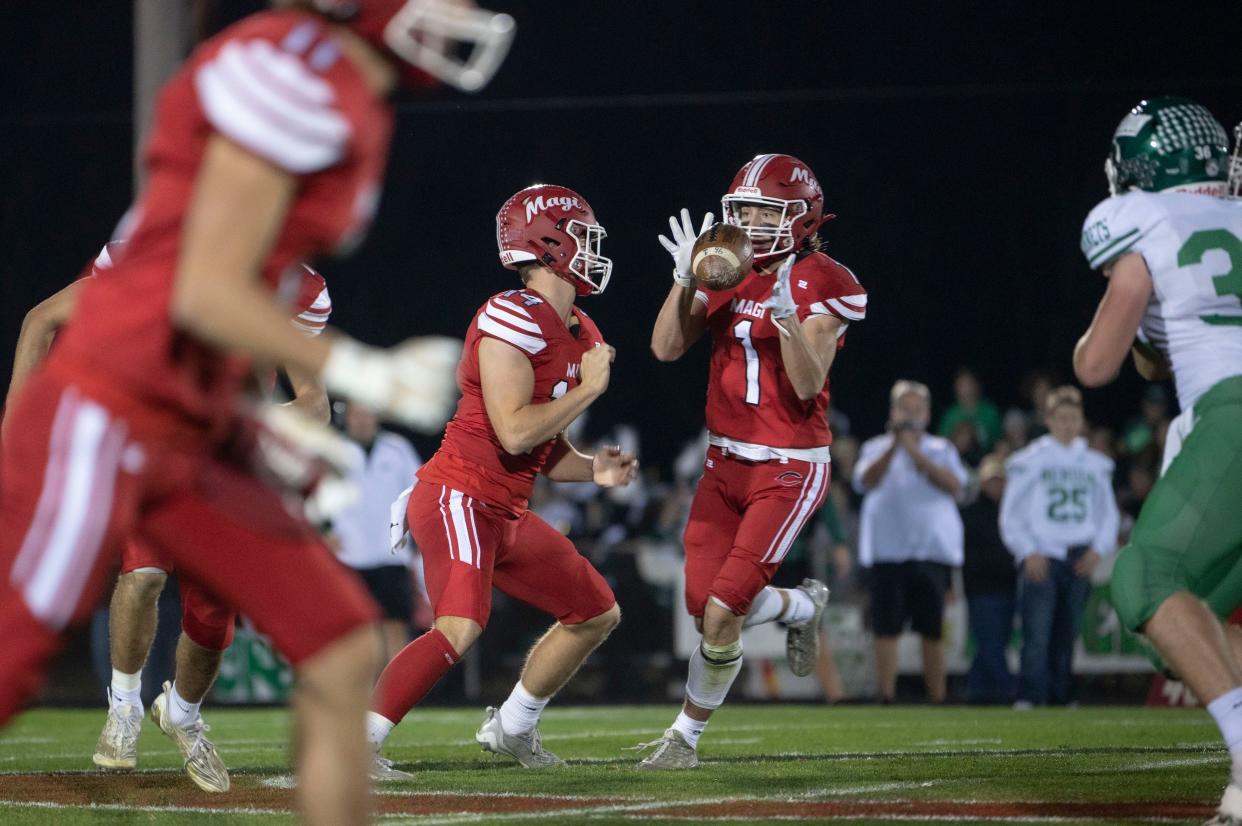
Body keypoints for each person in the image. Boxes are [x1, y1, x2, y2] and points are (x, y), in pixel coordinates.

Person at [0, 3, 514, 824]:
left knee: (342, 645)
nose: (456, 9)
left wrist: (275, 431)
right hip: (111, 408)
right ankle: (127, 706)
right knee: (12, 660)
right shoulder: (294, 72)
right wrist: (358, 368)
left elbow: (232, 304)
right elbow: (205, 288)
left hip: (195, 425)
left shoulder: (341, 86)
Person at [366, 185, 634, 779]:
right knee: (459, 627)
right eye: (584, 238)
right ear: (549, 243)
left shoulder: (582, 329)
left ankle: (513, 727)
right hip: (459, 494)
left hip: (504, 509)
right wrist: (590, 389)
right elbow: (513, 433)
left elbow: (543, 449)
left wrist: (593, 467)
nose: (592, 251)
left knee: (595, 611)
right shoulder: (510, 315)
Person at [640, 153, 865, 768]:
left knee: (721, 613)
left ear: (801, 216)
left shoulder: (825, 279)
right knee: (702, 602)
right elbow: (664, 348)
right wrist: (685, 278)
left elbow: (805, 381)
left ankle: (683, 738)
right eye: (741, 209)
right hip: (723, 462)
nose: (749, 221)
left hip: (788, 465)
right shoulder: (728, 269)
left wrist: (790, 320)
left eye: (764, 210)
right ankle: (799, 605)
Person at [1072, 96, 1242, 824]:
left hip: (1232, 412)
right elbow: (1161, 350)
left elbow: (1099, 366)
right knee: (1199, 622)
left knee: (1144, 575)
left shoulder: (1142, 224)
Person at [999, 386, 1119, 708]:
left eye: (1073, 418)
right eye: (1061, 418)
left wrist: (1098, 549)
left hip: (1079, 553)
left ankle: (1061, 696)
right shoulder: (1029, 460)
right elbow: (1011, 513)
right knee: (1036, 634)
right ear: (1048, 420)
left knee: (1067, 633)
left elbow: (1108, 514)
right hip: (1043, 552)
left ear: (1082, 421)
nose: (1067, 424)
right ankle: (1030, 696)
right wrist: (1027, 550)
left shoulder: (1096, 464)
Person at [853, 380, 966, 704]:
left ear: (927, 414)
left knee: (932, 628)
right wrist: (895, 445)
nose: (910, 414)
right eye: (905, 408)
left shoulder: (941, 449)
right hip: (887, 552)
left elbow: (954, 485)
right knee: (885, 628)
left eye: (917, 409)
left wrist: (913, 450)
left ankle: (937, 697)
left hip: (931, 552)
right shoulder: (876, 447)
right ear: (893, 411)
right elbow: (864, 480)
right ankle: (886, 696)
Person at [329, 400, 423, 665]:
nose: (360, 419)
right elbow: (314, 496)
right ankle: (362, 698)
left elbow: (418, 492)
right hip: (349, 554)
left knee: (394, 627)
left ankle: (394, 697)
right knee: (357, 633)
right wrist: (321, 533)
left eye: (365, 412)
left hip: (391, 552)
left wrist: (416, 536)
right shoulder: (333, 449)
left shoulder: (398, 449)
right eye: (355, 413)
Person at [960, 455, 1015, 704]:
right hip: (980, 589)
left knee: (992, 643)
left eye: (1000, 480)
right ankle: (1007, 691)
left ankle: (976, 691)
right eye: (991, 480)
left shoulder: (1014, 512)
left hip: (1008, 587)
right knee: (991, 643)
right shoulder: (969, 513)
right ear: (982, 482)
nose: (996, 485)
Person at [937, 368, 1002, 453]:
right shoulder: (950, 414)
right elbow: (941, 443)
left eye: (969, 384)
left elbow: (999, 441)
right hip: (955, 460)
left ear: (977, 385)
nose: (966, 389)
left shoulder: (990, 411)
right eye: (961, 385)